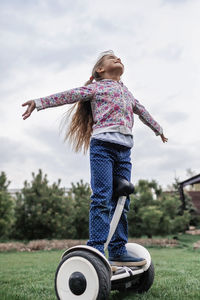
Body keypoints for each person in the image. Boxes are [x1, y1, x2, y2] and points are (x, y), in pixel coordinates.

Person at [22, 50, 168, 267]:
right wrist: (39, 102)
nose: (119, 59)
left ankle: (118, 249)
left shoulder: (127, 92)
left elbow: (143, 111)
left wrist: (159, 130)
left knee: (122, 200)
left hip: (124, 151)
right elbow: (67, 95)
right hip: (103, 148)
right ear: (100, 69)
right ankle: (97, 248)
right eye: (112, 58)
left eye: (120, 58)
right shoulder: (95, 88)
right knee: (102, 197)